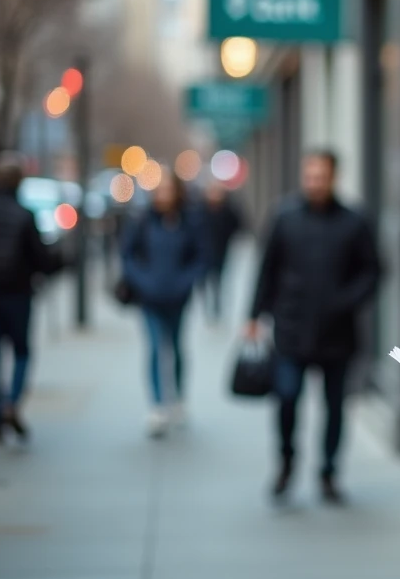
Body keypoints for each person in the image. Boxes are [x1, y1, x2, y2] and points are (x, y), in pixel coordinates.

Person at [248, 150, 382, 504]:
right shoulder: (284, 217)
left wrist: (346, 301)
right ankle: (286, 462)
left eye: (321, 176)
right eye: (309, 176)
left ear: (334, 177)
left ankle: (328, 472)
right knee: (287, 398)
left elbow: (374, 271)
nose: (315, 183)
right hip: (291, 328)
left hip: (338, 333)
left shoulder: (354, 221)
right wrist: (254, 315)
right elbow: (267, 268)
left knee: (335, 407)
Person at [0, 152, 59, 444]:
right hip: (17, 294)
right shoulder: (25, 215)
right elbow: (41, 257)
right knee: (21, 351)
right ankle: (11, 402)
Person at [120, 171, 207, 438]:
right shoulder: (143, 221)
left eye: (169, 190)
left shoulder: (188, 221)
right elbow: (128, 255)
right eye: (161, 190)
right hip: (150, 297)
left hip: (178, 298)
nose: (164, 195)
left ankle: (178, 398)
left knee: (177, 348)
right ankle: (158, 406)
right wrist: (143, 281)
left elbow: (201, 256)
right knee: (156, 348)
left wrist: (186, 282)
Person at [199, 180, 244, 322]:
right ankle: (208, 308)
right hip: (204, 254)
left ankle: (217, 308)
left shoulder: (228, 210)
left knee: (219, 282)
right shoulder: (201, 211)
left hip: (221, 253)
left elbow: (238, 225)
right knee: (205, 282)